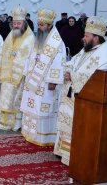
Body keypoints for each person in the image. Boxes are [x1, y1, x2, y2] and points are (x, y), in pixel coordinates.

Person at [54, 16, 107, 165]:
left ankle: (72, 154)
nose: (83, 38)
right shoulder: (87, 49)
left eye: (86, 36)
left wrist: (72, 75)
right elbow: (72, 61)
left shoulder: (104, 55)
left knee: (77, 128)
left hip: (85, 101)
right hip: (72, 96)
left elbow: (96, 78)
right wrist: (68, 70)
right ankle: (63, 151)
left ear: (96, 37)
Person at [20, 9, 66, 146]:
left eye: (42, 25)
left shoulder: (57, 43)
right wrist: (25, 74)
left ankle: (44, 137)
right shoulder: (38, 39)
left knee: (43, 108)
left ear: (49, 25)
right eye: (38, 24)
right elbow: (30, 57)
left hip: (46, 83)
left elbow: (59, 62)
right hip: (33, 81)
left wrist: (53, 81)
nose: (39, 27)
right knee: (32, 106)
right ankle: (29, 132)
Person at [0, 5, 35, 131]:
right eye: (15, 23)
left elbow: (30, 57)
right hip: (6, 74)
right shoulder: (11, 35)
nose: (16, 25)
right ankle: (4, 122)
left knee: (15, 101)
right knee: (5, 99)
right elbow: (2, 51)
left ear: (24, 23)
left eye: (19, 23)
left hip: (19, 76)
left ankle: (15, 124)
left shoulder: (30, 38)